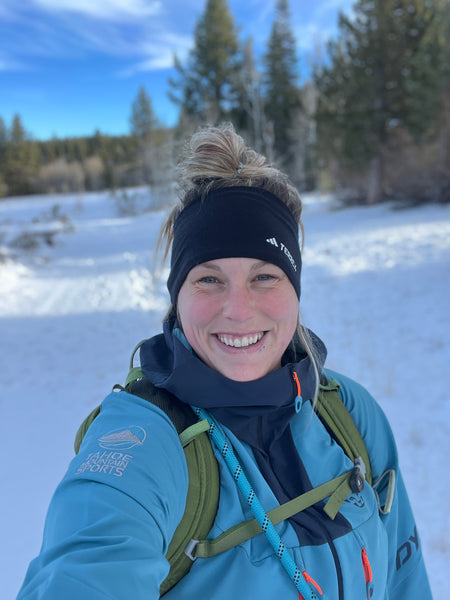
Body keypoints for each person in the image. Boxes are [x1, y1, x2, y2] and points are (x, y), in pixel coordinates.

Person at [17, 123, 432, 600]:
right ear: (178, 298)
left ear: (295, 290)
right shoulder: (143, 444)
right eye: (209, 280)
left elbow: (404, 578)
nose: (237, 310)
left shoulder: (348, 414)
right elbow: (89, 562)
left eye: (264, 277)